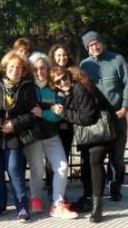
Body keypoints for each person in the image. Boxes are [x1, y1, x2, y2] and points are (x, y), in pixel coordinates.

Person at [50, 66, 117, 223]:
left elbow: (88, 117)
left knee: (95, 163)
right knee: (89, 164)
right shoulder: (70, 92)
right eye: (58, 82)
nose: (62, 82)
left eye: (64, 78)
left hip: (99, 133)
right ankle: (90, 201)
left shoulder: (79, 88)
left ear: (69, 76)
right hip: (90, 136)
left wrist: (63, 113)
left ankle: (97, 208)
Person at [0, 51, 37, 222]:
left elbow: (32, 113)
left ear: (23, 70)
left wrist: (13, 124)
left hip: (15, 135)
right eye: (12, 66)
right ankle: (0, 205)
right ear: (5, 68)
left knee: (14, 169)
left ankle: (22, 206)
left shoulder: (27, 86)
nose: (15, 70)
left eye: (19, 67)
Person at [80, 31, 128, 201]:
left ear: (102, 43)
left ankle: (115, 187)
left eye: (96, 43)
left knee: (117, 157)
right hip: (96, 118)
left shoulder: (117, 59)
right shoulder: (85, 65)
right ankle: (97, 189)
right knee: (97, 157)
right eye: (90, 45)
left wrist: (125, 106)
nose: (94, 47)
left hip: (117, 114)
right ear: (87, 49)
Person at [24, 53, 78, 219]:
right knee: (38, 170)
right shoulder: (27, 87)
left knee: (61, 166)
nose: (39, 72)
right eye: (35, 69)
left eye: (43, 68)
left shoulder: (54, 87)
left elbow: (58, 114)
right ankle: (35, 197)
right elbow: (28, 112)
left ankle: (58, 203)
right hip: (33, 136)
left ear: (48, 69)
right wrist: (47, 111)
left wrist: (43, 113)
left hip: (51, 134)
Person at [45, 43, 76, 196]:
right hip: (52, 122)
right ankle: (51, 187)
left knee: (64, 154)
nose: (62, 58)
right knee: (51, 159)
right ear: (53, 57)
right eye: (58, 55)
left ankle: (59, 188)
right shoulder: (49, 74)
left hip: (68, 121)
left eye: (64, 55)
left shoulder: (73, 73)